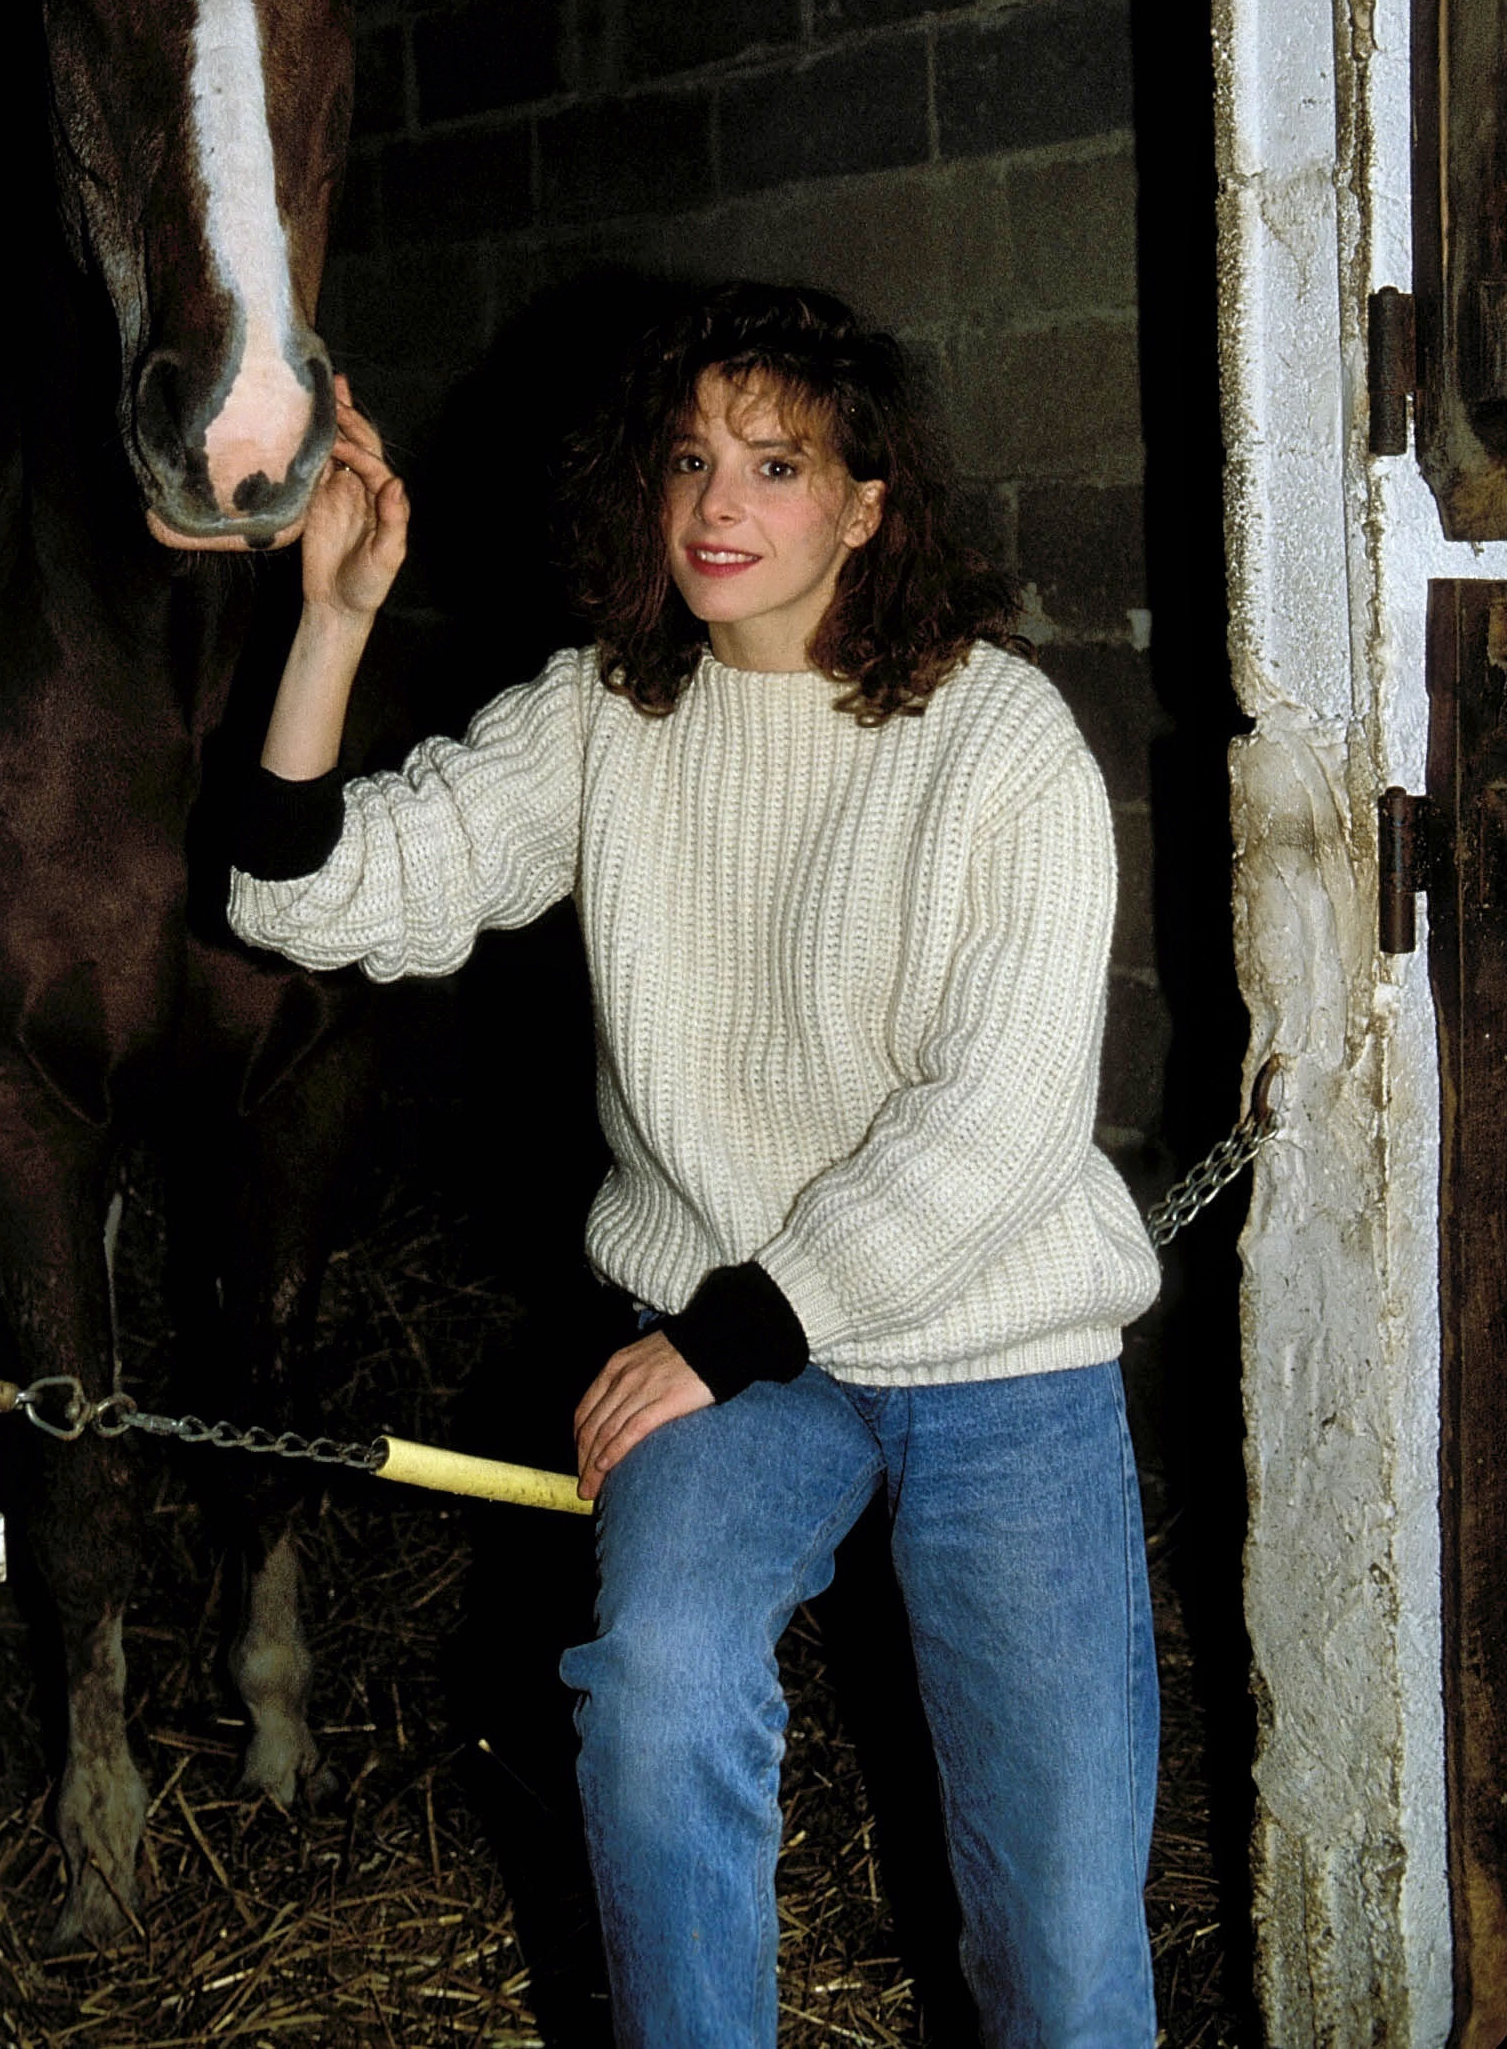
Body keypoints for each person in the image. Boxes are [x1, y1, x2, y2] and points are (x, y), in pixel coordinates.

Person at [228, 281, 1162, 2049]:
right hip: (727, 1353)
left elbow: (1005, 1113)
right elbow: (311, 892)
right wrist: (336, 623)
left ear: (869, 504)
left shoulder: (999, 740)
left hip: (995, 1348)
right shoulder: (605, 714)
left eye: (777, 465)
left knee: (1055, 1926)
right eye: (688, 462)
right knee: (651, 1696)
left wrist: (733, 1330)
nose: (719, 507)